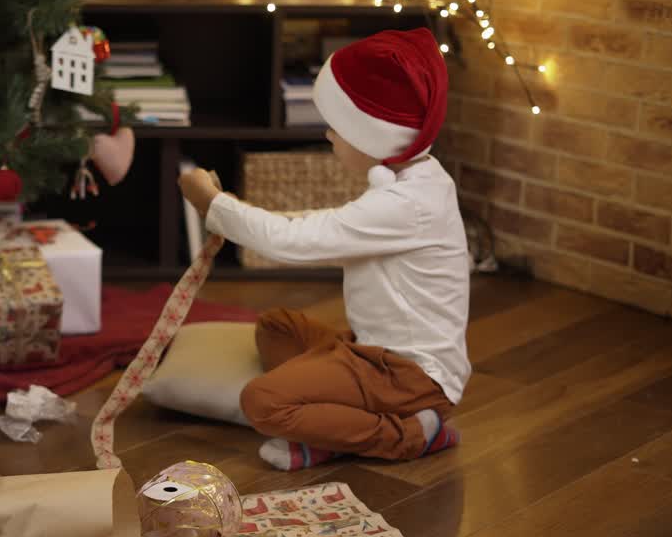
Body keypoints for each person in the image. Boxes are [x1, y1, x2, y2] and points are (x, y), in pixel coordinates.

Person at [178, 28, 471, 471]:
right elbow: (318, 224)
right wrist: (231, 209)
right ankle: (331, 428)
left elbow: (292, 242)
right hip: (370, 351)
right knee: (277, 327)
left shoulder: (406, 205)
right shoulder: (417, 180)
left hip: (408, 375)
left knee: (262, 402)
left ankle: (407, 435)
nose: (330, 135)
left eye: (339, 125)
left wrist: (212, 205)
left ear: (374, 135)